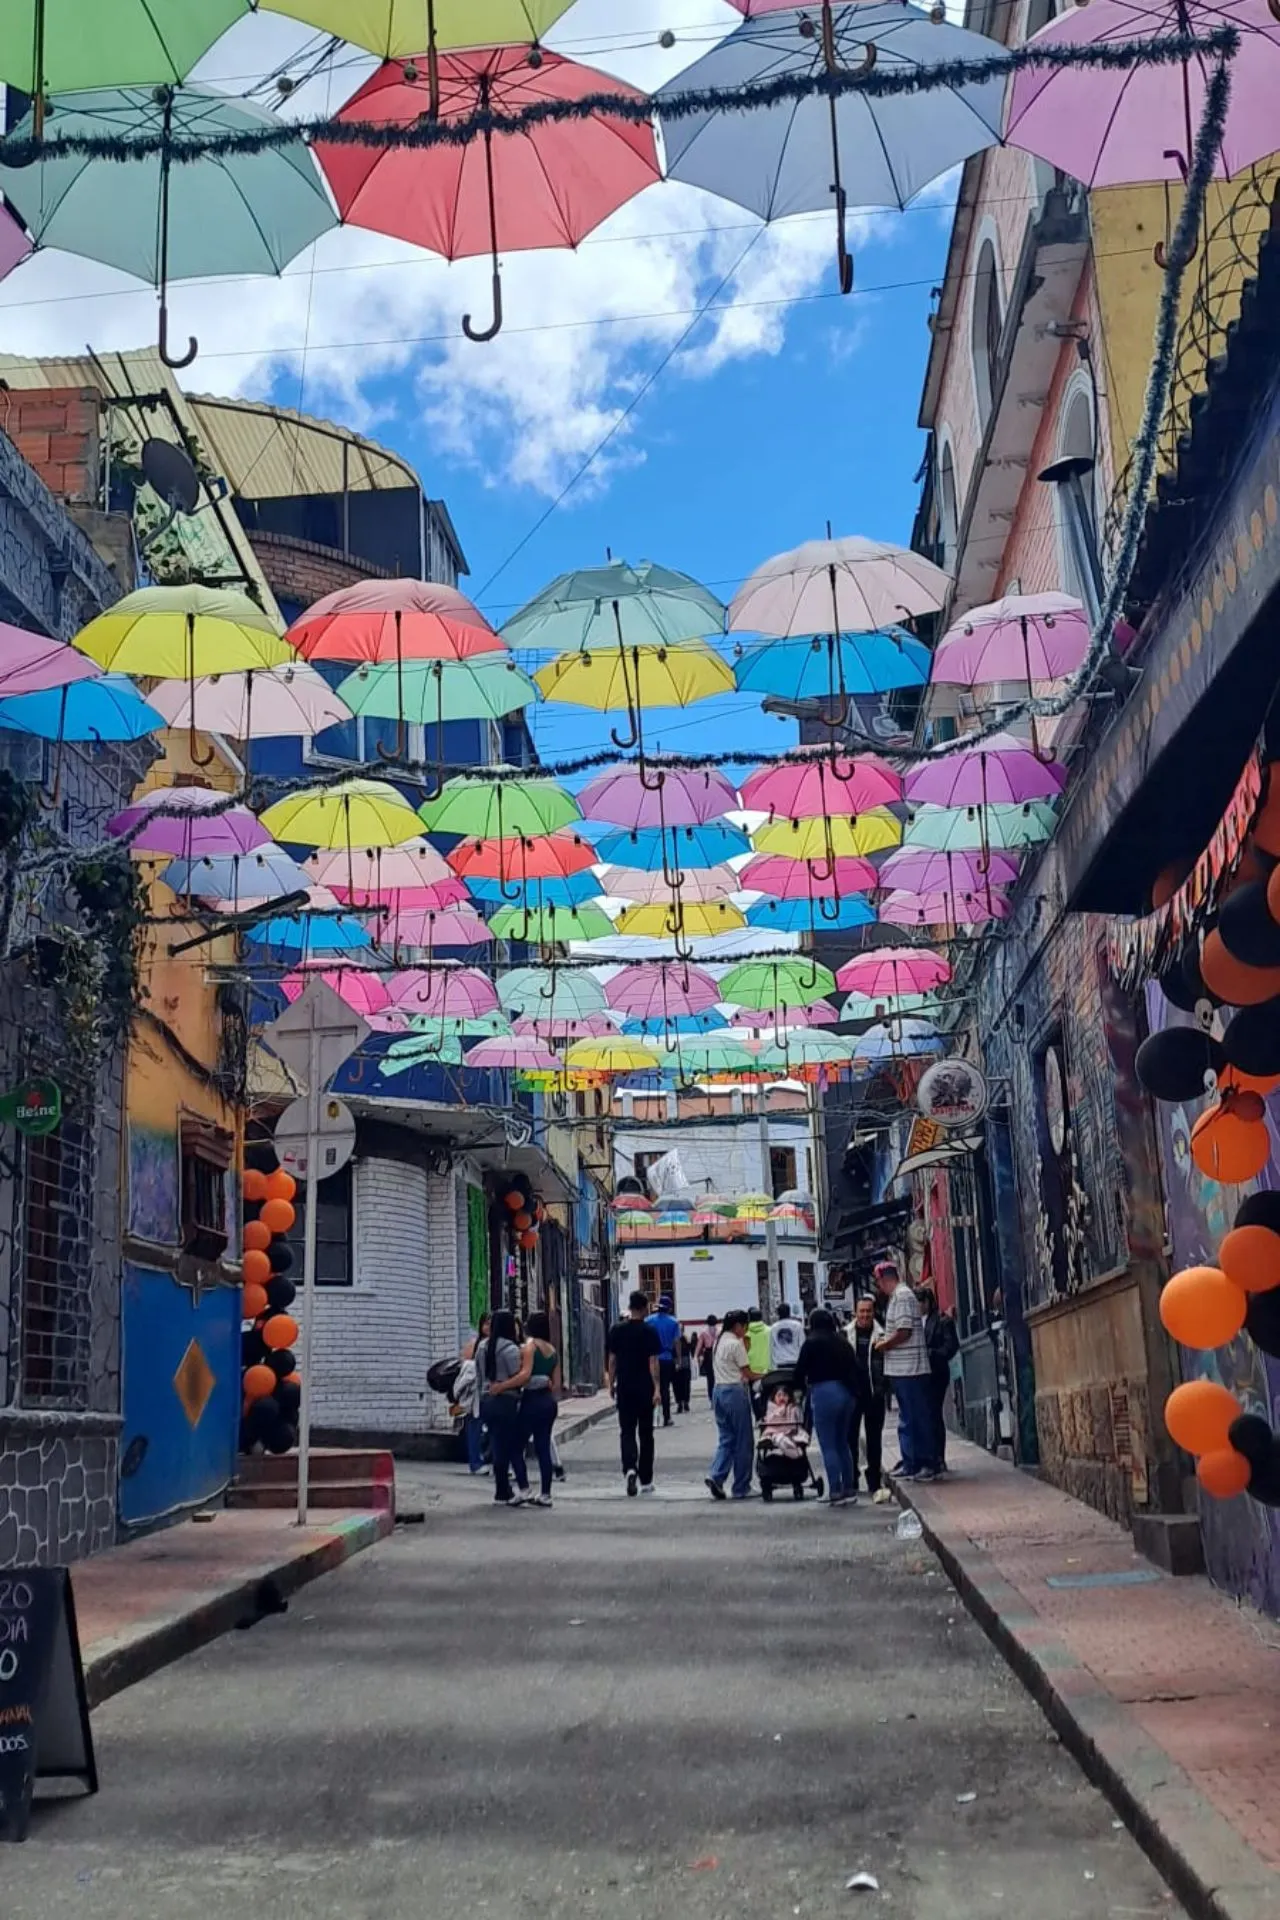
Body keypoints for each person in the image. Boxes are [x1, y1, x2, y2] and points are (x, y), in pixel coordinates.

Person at [874, 1260, 935, 1480]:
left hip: (909, 1369)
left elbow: (904, 1331)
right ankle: (911, 1460)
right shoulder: (900, 1296)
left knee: (914, 1417)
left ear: (884, 1279)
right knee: (909, 1416)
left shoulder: (901, 1296)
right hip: (903, 1368)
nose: (878, 1286)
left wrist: (884, 1345)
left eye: (878, 1281)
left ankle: (923, 1462)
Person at [792, 1306, 858, 1505]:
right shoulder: (843, 1342)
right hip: (847, 1393)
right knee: (843, 1442)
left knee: (828, 1444)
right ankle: (849, 1487)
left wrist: (798, 1392)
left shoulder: (811, 1343)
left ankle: (835, 1490)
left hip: (823, 1392)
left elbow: (799, 1372)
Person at [474, 1310, 532, 1506]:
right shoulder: (511, 1350)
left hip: (486, 1401)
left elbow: (479, 1377)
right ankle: (504, 1488)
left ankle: (502, 1487)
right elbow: (517, 1377)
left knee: (497, 1442)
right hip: (506, 1401)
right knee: (506, 1446)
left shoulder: (482, 1347)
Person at [606, 1290, 662, 1496]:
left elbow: (612, 1360)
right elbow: (653, 1362)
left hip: (625, 1387)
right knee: (646, 1434)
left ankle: (630, 1468)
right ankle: (646, 1479)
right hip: (644, 1388)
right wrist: (657, 1389)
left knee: (627, 1430)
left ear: (630, 1307)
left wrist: (611, 1384)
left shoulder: (616, 1330)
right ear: (645, 1308)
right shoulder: (649, 1331)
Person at [511, 1310, 561, 1506]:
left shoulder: (530, 1347)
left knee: (515, 1446)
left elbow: (524, 1375)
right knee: (543, 1448)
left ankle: (524, 1488)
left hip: (531, 1401)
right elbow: (556, 1384)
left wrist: (505, 1385)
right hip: (549, 1402)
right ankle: (546, 1493)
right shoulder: (552, 1350)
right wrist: (544, 1381)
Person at [706, 1309, 754, 1500]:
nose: (746, 1329)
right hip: (734, 1391)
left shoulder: (719, 1340)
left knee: (726, 1438)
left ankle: (716, 1475)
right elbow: (747, 1373)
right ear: (738, 1326)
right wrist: (766, 1375)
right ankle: (741, 1486)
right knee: (743, 1440)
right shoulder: (735, 1343)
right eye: (745, 1326)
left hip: (718, 1391)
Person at [847, 1295, 890, 1502]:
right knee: (850, 1438)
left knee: (874, 1440)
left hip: (875, 1394)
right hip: (852, 1394)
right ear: (856, 1312)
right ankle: (852, 1479)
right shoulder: (845, 1334)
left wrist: (884, 1388)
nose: (864, 1315)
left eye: (868, 1311)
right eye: (861, 1311)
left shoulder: (882, 1334)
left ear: (873, 1313)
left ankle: (874, 1480)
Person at [917, 1285, 960, 1475]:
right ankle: (926, 1456)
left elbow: (951, 1347)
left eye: (919, 1303)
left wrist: (932, 1354)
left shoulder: (942, 1321)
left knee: (933, 1414)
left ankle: (937, 1457)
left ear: (927, 1302)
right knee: (923, 1415)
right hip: (919, 1375)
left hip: (936, 1374)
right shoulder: (914, 1323)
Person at [458, 1312, 491, 1475]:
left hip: (489, 1394)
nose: (488, 1327)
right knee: (474, 1429)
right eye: (486, 1324)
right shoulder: (475, 1344)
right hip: (475, 1395)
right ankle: (475, 1463)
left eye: (491, 1324)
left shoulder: (494, 1344)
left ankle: (485, 1459)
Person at [646, 1293, 682, 1427]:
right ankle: (667, 1417)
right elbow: (677, 1342)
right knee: (665, 1388)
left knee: (652, 1388)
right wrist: (678, 1359)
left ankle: (650, 1418)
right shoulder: (673, 1322)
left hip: (650, 1359)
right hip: (666, 1358)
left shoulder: (648, 1321)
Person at [760, 1382, 807, 1460]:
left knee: (795, 1438)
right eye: (779, 1395)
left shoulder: (793, 1407)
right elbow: (770, 1420)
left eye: (785, 1395)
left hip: (792, 1432)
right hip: (775, 1432)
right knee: (780, 1439)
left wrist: (792, 1410)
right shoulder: (771, 1408)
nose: (782, 1398)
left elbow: (798, 1420)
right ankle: (794, 1452)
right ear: (774, 1397)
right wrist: (779, 1412)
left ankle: (793, 1450)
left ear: (789, 1397)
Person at [769, 1300, 805, 1370]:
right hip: (795, 1362)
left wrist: (772, 1366)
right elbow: (802, 1345)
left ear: (778, 1314)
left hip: (780, 1364)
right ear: (789, 1312)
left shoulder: (773, 1328)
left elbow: (771, 1347)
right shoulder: (798, 1325)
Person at [694, 1314, 719, 1403]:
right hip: (715, 1353)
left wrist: (695, 1356)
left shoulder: (704, 1332)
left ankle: (712, 1397)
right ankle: (714, 1397)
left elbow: (699, 1345)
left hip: (709, 1353)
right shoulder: (718, 1331)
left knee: (710, 1378)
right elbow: (699, 1345)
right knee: (715, 1377)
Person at [672, 1326, 694, 1414]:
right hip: (676, 1363)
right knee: (676, 1384)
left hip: (684, 1364)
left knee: (685, 1383)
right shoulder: (673, 1339)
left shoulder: (685, 1339)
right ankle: (679, 1402)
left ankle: (685, 1402)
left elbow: (691, 1348)